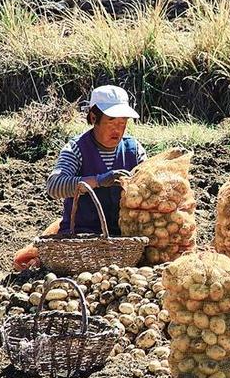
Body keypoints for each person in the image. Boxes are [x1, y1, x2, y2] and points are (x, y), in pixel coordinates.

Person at [13, 85, 147, 271]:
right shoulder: (76, 148)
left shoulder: (134, 149)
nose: (118, 129)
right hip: (83, 239)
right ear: (94, 118)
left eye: (123, 122)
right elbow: (54, 186)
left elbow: (150, 185)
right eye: (111, 121)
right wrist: (98, 180)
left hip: (125, 241)